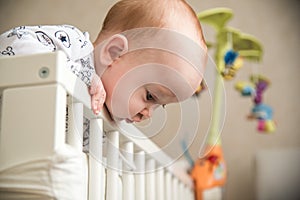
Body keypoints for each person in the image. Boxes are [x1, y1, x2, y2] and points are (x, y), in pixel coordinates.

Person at [0, 0, 207, 123]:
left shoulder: (107, 120)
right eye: (150, 96)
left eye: (159, 106)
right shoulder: (75, 46)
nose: (147, 115)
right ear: (114, 53)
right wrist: (81, 76)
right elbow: (14, 43)